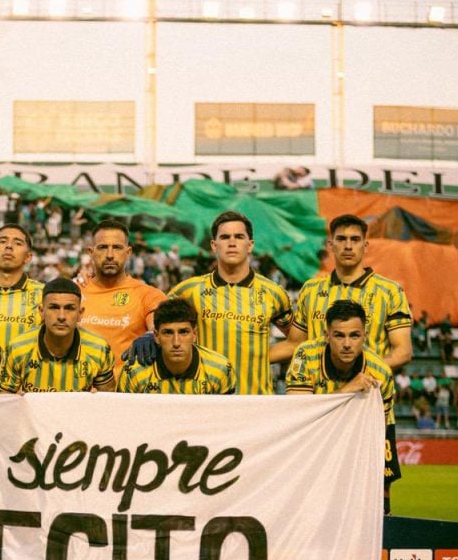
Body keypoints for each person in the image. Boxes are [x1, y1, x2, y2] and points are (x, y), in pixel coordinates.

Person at [130, 211, 291, 394]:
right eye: (224, 237)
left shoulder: (273, 293)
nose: (231, 243)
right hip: (205, 402)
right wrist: (150, 333)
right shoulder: (189, 290)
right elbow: (159, 320)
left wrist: (257, 356)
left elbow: (296, 342)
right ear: (214, 245)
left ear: (250, 245)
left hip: (255, 401)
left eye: (239, 237)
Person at [285, 299, 398, 514]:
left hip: (360, 438)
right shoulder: (305, 356)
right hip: (313, 437)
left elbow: (377, 435)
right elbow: (297, 415)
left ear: (364, 336)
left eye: (354, 335)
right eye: (339, 335)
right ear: (327, 335)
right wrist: (348, 390)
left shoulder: (380, 371)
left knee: (377, 504)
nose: (347, 344)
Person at [284, 214, 413, 372]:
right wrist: (249, 358)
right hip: (322, 395)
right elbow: (294, 345)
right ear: (330, 245)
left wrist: (362, 373)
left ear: (365, 246)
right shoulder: (311, 289)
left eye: (355, 239)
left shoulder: (390, 291)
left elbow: (403, 352)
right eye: (341, 239)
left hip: (369, 393)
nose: (348, 246)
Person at [0, 277, 115, 393]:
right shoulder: (18, 348)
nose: (61, 316)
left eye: (69, 308)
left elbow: (107, 401)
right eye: (54, 307)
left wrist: (96, 400)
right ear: (41, 311)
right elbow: (3, 401)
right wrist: (16, 401)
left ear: (80, 313)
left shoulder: (99, 349)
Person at [79, 218, 166, 369]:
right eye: (103, 247)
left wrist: (151, 334)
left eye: (117, 247)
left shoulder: (148, 294)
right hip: (81, 390)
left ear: (128, 252)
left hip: (126, 390)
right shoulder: (75, 293)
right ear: (91, 252)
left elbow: (161, 326)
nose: (110, 255)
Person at [117, 298, 236, 395]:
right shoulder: (134, 372)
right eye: (168, 333)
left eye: (183, 332)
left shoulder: (220, 369)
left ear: (194, 334)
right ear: (156, 336)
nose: (176, 343)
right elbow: (125, 419)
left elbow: (226, 419)